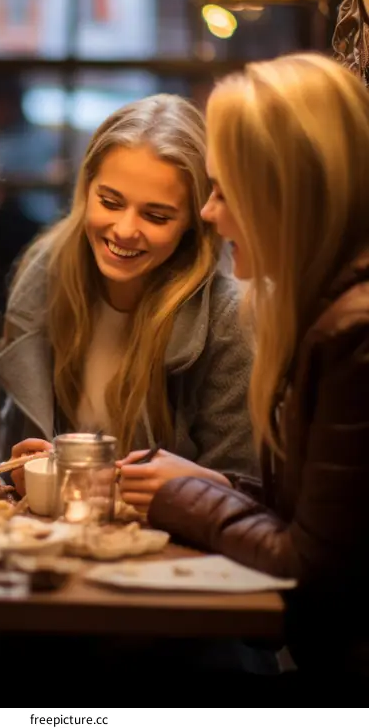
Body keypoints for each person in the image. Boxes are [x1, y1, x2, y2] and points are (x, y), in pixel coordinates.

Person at [148, 53, 369, 688]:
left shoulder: (357, 333)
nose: (210, 215)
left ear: (284, 192)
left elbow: (308, 565)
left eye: (224, 189)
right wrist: (198, 483)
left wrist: (179, 495)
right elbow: (318, 521)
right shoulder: (326, 310)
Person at [0, 94, 258, 503]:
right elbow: (14, 461)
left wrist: (178, 490)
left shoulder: (228, 316)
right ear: (86, 188)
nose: (125, 230)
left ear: (193, 221)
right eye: (110, 202)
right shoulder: (44, 277)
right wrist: (22, 473)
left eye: (156, 216)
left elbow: (245, 489)